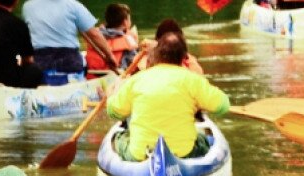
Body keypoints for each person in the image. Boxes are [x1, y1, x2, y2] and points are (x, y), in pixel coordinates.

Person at [106, 32, 229, 162]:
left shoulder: (136, 80)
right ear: (183, 58)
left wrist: (112, 95)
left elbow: (114, 112)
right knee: (203, 139)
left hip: (141, 154)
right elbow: (223, 106)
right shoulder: (193, 80)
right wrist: (197, 103)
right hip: (183, 152)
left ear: (157, 54)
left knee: (120, 137)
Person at [22, 0, 119, 81]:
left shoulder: (27, 7)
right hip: (68, 63)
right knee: (80, 64)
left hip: (39, 64)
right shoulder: (73, 5)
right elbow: (94, 34)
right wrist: (110, 55)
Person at [85, 3, 139, 79]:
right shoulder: (129, 40)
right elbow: (135, 64)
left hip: (93, 75)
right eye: (129, 19)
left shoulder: (95, 36)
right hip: (116, 76)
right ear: (125, 22)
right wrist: (136, 43)